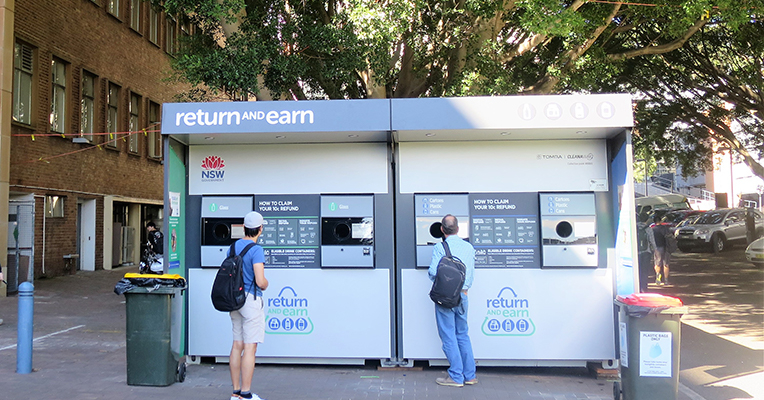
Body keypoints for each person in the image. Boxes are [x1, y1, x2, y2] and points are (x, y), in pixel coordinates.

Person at [428, 214, 477, 387]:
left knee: (448, 335)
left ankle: (456, 376)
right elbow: (470, 275)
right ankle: (470, 376)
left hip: (446, 298)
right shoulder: (469, 247)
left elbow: (433, 272)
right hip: (463, 295)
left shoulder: (440, 247)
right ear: (458, 229)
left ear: (442, 229)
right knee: (462, 334)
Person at [228, 211, 269, 400]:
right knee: (250, 347)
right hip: (250, 301)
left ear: (244, 228)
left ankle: (235, 393)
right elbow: (260, 281)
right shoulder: (256, 250)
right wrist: (267, 283)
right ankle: (246, 394)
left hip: (234, 299)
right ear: (260, 229)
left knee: (237, 344)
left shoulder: (233, 247)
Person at [647, 220, 671, 285]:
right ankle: (666, 280)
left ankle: (658, 277)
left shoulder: (653, 229)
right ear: (660, 221)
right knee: (666, 264)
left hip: (657, 248)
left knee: (657, 263)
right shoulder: (666, 229)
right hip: (666, 248)